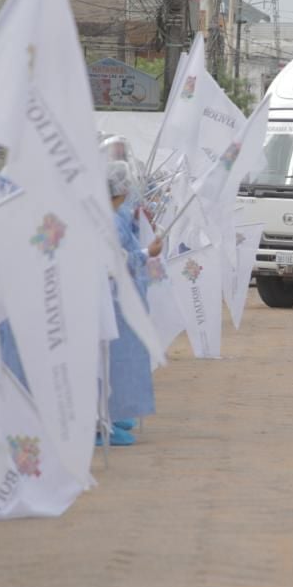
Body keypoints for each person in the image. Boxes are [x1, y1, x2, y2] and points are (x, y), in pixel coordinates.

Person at [105, 161, 164, 446]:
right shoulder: (108, 218)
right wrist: (147, 251)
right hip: (113, 300)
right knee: (108, 361)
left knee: (121, 360)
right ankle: (102, 421)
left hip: (121, 299)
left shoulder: (117, 215)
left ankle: (113, 413)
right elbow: (114, 261)